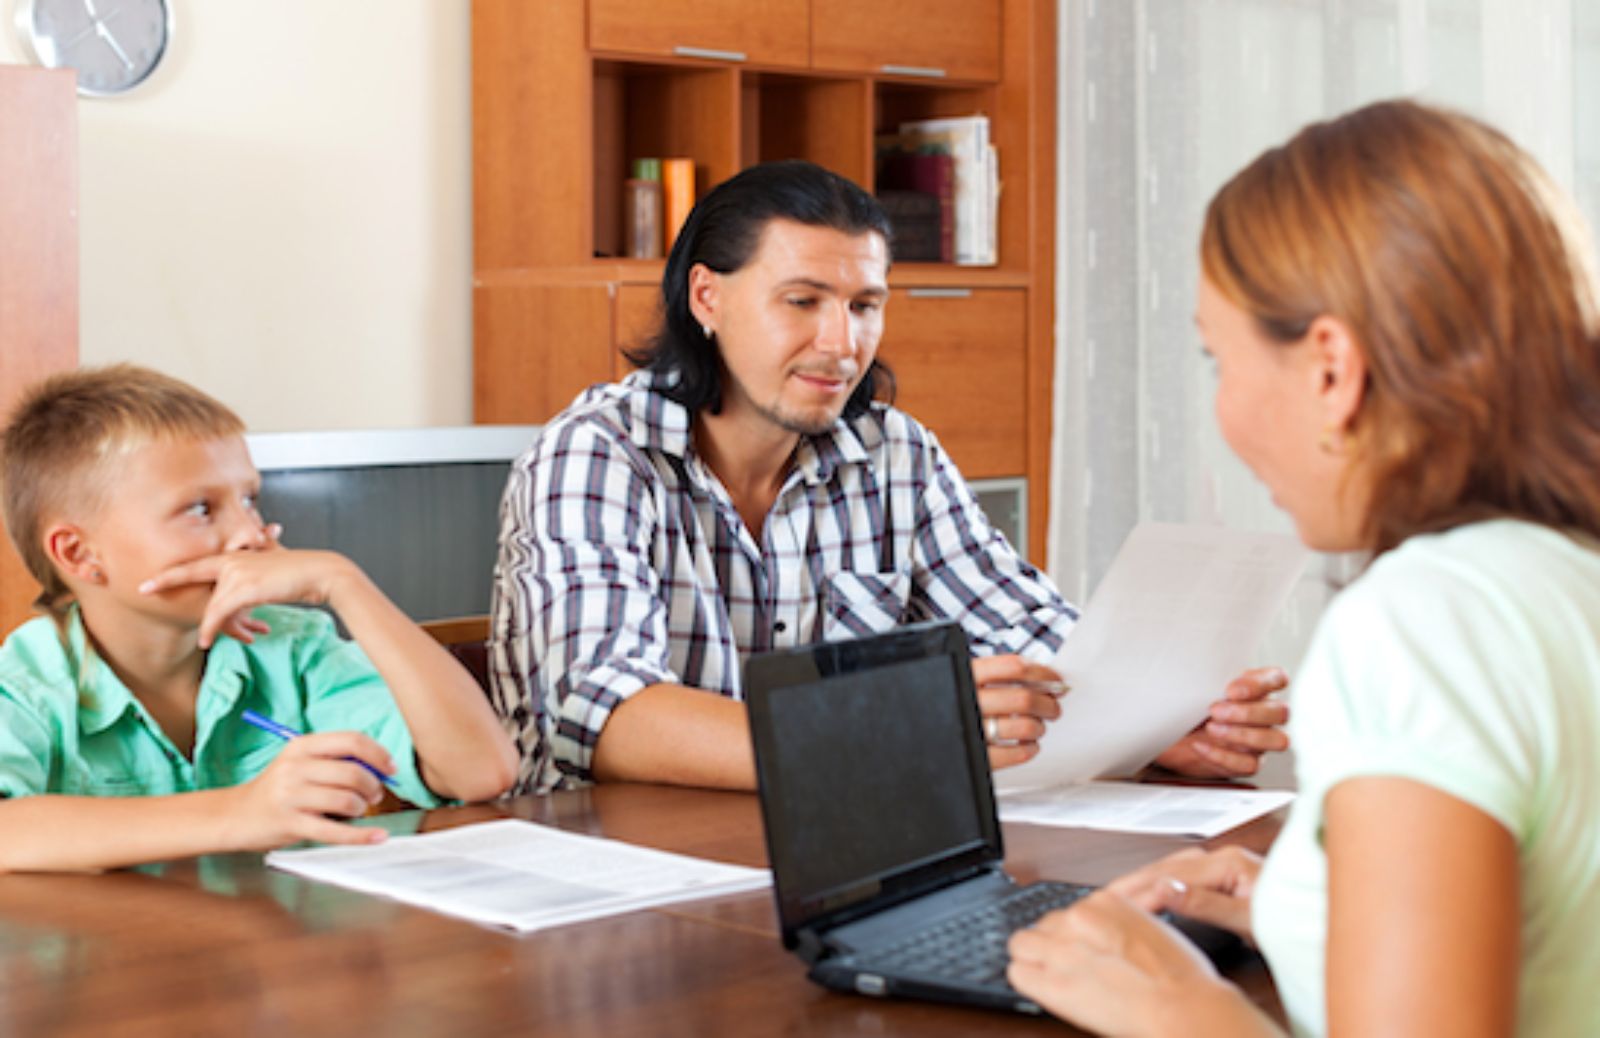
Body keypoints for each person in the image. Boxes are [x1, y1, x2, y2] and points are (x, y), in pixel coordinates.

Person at [1005, 99, 1600, 1036]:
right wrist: (1308, 904)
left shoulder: (1424, 620)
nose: (1225, 413)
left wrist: (1176, 1010)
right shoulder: (1565, 570)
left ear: (1330, 367)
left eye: (1220, 360)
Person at [490, 159, 1289, 793]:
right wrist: (887, 724)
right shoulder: (595, 455)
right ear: (707, 296)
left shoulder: (895, 454)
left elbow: (1038, 641)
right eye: (802, 301)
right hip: (614, 866)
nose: (842, 344)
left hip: (832, 842)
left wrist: (1162, 727)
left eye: (865, 305)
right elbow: (604, 717)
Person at [0, 365, 518, 872]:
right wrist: (240, 812)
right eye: (201, 509)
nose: (251, 533)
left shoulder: (291, 649)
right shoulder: (27, 685)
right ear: (78, 554)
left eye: (250, 499)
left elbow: (481, 773)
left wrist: (344, 583)